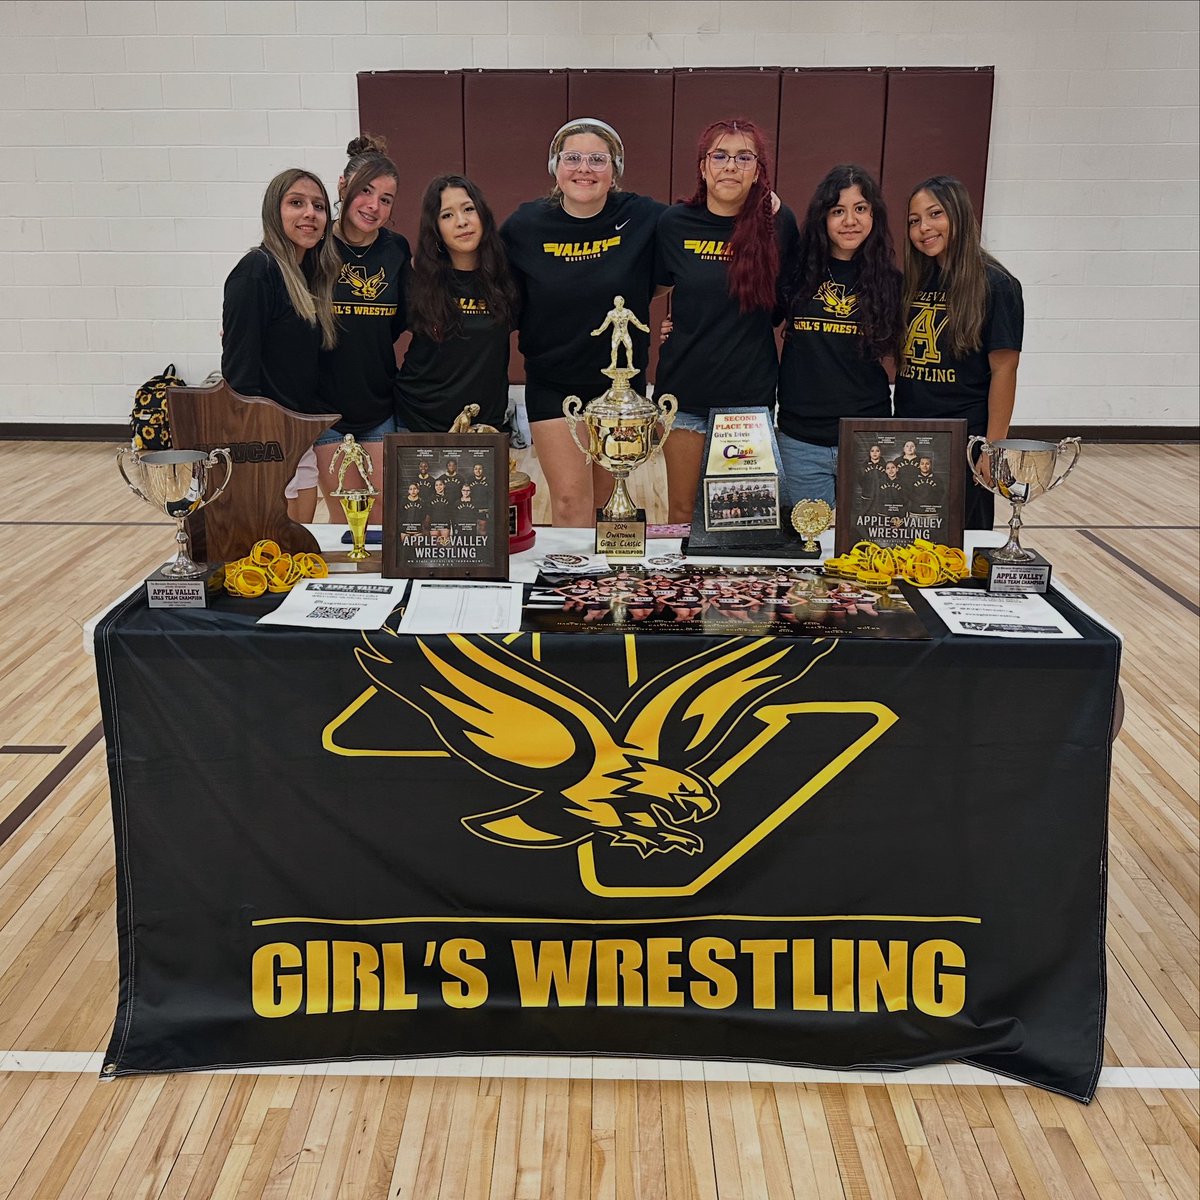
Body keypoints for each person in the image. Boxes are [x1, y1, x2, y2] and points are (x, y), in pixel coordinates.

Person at [501, 119, 665, 527]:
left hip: (619, 389)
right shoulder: (524, 227)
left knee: (611, 506)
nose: (584, 169)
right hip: (553, 382)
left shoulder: (644, 216)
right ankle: (572, 588)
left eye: (597, 159)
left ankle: (606, 591)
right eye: (572, 158)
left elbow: (680, 264)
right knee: (573, 503)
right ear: (556, 166)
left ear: (615, 170)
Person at [655, 119, 799, 524]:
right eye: (719, 155)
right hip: (682, 396)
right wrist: (669, 324)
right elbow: (653, 288)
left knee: (741, 519)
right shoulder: (674, 224)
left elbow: (782, 305)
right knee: (682, 514)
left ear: (758, 170)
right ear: (703, 167)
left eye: (743, 157)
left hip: (746, 400)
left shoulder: (779, 225)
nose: (730, 166)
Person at [896, 175, 1024, 530]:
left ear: (959, 215)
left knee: (960, 547)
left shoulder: (998, 284)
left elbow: (1005, 370)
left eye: (935, 214)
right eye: (914, 220)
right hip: (909, 434)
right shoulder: (917, 280)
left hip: (965, 442)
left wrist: (991, 446)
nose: (924, 227)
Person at [776, 164, 901, 510]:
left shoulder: (891, 283)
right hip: (801, 441)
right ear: (823, 218)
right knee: (808, 549)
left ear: (873, 214)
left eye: (860, 209)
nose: (850, 220)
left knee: (866, 550)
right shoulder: (796, 273)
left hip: (868, 439)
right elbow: (748, 318)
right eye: (838, 211)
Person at [221, 168, 339, 522]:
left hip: (296, 433)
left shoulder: (308, 275)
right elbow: (240, 375)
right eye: (296, 203)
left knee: (296, 547)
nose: (310, 214)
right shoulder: (256, 271)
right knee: (272, 554)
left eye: (319, 206)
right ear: (275, 211)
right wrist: (258, 447)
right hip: (267, 441)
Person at [316, 136, 410, 522]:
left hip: (378, 406)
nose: (374, 205)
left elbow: (400, 322)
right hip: (323, 412)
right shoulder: (314, 245)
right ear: (342, 186)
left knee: (386, 522)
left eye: (386, 199)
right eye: (365, 191)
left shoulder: (396, 249)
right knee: (348, 525)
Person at [396, 174, 517, 435]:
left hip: (484, 427)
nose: (462, 222)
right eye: (447, 215)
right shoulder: (416, 277)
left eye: (468, 209)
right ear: (435, 228)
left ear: (482, 214)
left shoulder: (507, 277)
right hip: (417, 421)